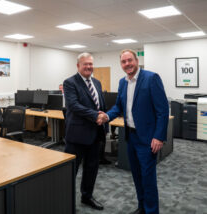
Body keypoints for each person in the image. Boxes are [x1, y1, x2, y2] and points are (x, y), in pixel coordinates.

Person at [98, 49, 169, 214]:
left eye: (130, 60)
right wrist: (107, 116)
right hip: (130, 136)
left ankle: (151, 211)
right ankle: (142, 207)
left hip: (148, 138)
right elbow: (118, 107)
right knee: (137, 175)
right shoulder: (123, 82)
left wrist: (159, 136)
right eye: (123, 62)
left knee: (148, 178)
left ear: (136, 61)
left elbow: (162, 110)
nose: (127, 64)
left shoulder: (151, 78)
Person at [63, 52, 108, 211]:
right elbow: (74, 106)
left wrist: (104, 117)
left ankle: (87, 196)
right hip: (77, 135)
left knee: (91, 168)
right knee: (71, 171)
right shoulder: (70, 83)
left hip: (95, 134)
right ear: (78, 66)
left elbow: (100, 104)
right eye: (85, 64)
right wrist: (96, 115)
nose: (89, 67)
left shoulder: (97, 82)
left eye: (90, 64)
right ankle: (64, 201)